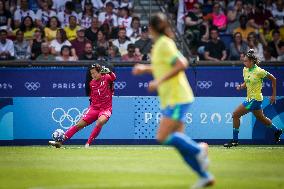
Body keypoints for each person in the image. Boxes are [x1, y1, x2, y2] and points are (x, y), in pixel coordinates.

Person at [132, 13, 215, 189]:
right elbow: (162, 67)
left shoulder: (164, 43)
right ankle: (204, 176)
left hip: (178, 98)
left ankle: (199, 149)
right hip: (172, 98)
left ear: (152, 28)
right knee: (179, 143)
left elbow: (182, 64)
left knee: (163, 136)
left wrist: (158, 81)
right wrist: (145, 69)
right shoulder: (160, 45)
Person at [224, 49, 282, 148]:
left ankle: (235, 140)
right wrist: (241, 86)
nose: (244, 62)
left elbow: (274, 79)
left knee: (235, 115)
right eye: (244, 61)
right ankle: (277, 130)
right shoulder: (245, 69)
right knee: (262, 119)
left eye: (246, 61)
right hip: (250, 99)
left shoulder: (259, 71)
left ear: (251, 61)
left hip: (255, 99)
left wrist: (273, 95)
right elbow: (247, 82)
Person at [49, 64, 116, 148]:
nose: (93, 75)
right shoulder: (91, 83)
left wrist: (110, 72)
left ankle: (87, 144)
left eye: (94, 73)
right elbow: (92, 96)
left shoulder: (106, 77)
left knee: (100, 122)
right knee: (79, 125)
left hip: (106, 109)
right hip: (94, 108)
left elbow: (113, 78)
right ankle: (60, 142)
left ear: (100, 72)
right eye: (91, 74)